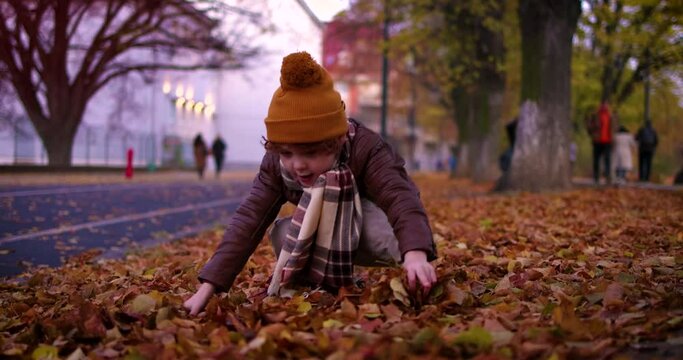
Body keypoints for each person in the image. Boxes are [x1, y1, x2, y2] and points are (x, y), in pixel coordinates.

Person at [183, 52, 438, 315]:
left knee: (392, 235)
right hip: (322, 231)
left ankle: (415, 270)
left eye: (311, 153)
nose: (298, 165)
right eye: (287, 153)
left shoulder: (365, 148)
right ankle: (319, 282)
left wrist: (416, 254)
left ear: (336, 142)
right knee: (283, 232)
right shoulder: (276, 165)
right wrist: (208, 287)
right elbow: (248, 220)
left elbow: (400, 197)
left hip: (369, 224)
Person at [586, 102, 616, 184]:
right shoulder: (595, 116)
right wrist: (593, 129)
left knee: (607, 160)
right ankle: (596, 177)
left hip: (608, 141)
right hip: (597, 141)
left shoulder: (611, 116)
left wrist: (613, 140)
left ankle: (608, 177)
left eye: (606, 106)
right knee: (596, 160)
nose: (604, 107)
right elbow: (589, 128)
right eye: (602, 106)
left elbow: (614, 129)